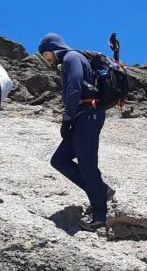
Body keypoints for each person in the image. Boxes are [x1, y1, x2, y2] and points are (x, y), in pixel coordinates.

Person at [38, 33, 111, 231]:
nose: (47, 60)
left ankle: (99, 216)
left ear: (51, 49)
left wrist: (67, 116)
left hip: (86, 116)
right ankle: (101, 191)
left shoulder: (71, 58)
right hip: (84, 117)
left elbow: (74, 86)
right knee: (59, 159)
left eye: (46, 55)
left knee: (88, 166)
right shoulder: (75, 58)